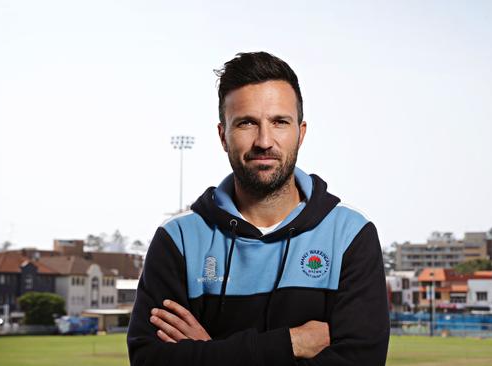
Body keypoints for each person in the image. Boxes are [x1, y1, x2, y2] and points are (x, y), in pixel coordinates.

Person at [127, 51, 389, 365]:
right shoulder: (178, 239)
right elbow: (150, 360)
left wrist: (209, 352)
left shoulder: (350, 235)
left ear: (300, 133)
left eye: (279, 122)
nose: (264, 141)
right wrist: (291, 343)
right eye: (247, 123)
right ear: (223, 136)